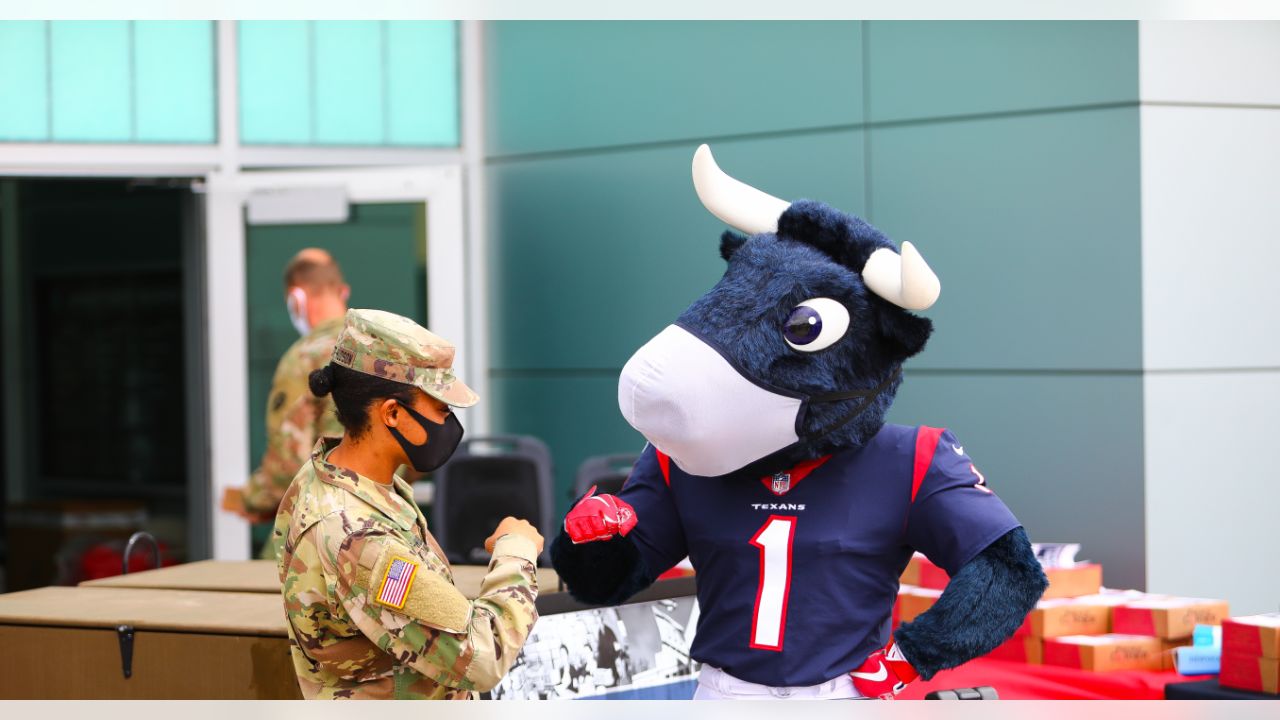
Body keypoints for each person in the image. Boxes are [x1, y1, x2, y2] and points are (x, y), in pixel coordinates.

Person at [274, 308, 542, 699]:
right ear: (393, 413)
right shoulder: (359, 537)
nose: (448, 422)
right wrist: (516, 551)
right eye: (440, 407)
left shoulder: (332, 476)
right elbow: (482, 657)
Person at [221, 248, 349, 559]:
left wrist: (252, 500)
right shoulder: (380, 349)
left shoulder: (303, 358)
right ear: (342, 291)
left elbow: (288, 461)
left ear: (296, 298)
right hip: (381, 521)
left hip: (322, 525)